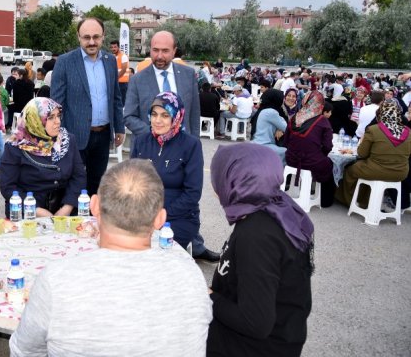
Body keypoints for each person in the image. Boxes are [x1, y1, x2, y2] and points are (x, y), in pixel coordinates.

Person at [10, 159, 212, 356]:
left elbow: (24, 350)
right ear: (160, 219)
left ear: (94, 206)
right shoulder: (191, 276)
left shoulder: (57, 280)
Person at [208, 143, 314, 357]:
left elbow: (256, 323)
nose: (214, 186)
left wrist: (209, 297)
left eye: (219, 176)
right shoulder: (277, 206)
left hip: (260, 347)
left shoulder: (256, 234)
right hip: (284, 333)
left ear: (236, 181)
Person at [51, 18, 125, 195]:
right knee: (72, 185)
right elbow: (56, 104)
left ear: (103, 37)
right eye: (86, 37)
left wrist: (119, 127)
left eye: (96, 37)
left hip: (103, 134)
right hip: (74, 136)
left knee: (97, 184)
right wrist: (56, 135)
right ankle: (71, 220)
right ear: (78, 37)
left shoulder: (110, 61)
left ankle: (92, 220)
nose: (91, 42)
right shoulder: (65, 62)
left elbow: (115, 97)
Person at [130, 92, 204, 251]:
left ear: (176, 117)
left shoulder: (191, 145)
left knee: (154, 249)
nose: (157, 120)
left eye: (165, 115)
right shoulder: (141, 141)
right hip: (143, 214)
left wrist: (162, 215)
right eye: (154, 114)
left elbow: (193, 193)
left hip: (178, 218)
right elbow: (131, 183)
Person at [0, 97, 86, 218]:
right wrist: (37, 210)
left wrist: (67, 207)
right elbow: (7, 187)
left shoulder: (67, 140)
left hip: (63, 208)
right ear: (35, 121)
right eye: (50, 117)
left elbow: (79, 176)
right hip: (27, 211)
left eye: (58, 115)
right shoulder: (15, 146)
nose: (57, 121)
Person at [125, 31, 200, 140]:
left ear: (174, 51)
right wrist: (156, 133)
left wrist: (195, 144)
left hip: (183, 148)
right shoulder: (137, 80)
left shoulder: (188, 75)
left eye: (165, 51)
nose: (159, 56)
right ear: (150, 50)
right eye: (155, 50)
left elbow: (194, 113)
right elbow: (129, 116)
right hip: (149, 148)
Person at [335, 101, 411, 207]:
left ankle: (349, 200)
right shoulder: (408, 132)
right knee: (366, 168)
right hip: (400, 172)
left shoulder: (374, 129)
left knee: (350, 170)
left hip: (376, 169)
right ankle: (365, 201)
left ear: (380, 114)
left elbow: (362, 153)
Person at [284, 91, 335, 207]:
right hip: (311, 161)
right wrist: (319, 154)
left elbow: (286, 141)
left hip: (291, 159)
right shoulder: (323, 121)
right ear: (320, 104)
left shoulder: (295, 117)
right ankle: (325, 200)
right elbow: (327, 146)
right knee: (328, 163)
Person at [251, 89, 287, 164]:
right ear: (276, 99)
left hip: (257, 143)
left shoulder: (264, 110)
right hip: (265, 145)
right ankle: (280, 174)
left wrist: (278, 128)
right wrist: (280, 127)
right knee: (287, 152)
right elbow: (286, 127)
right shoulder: (271, 112)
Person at [110, 40, 129, 106]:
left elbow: (123, 70)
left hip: (123, 83)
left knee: (122, 102)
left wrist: (115, 78)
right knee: (116, 101)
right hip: (117, 82)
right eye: (111, 47)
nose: (113, 49)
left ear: (118, 47)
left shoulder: (123, 56)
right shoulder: (113, 56)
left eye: (115, 47)